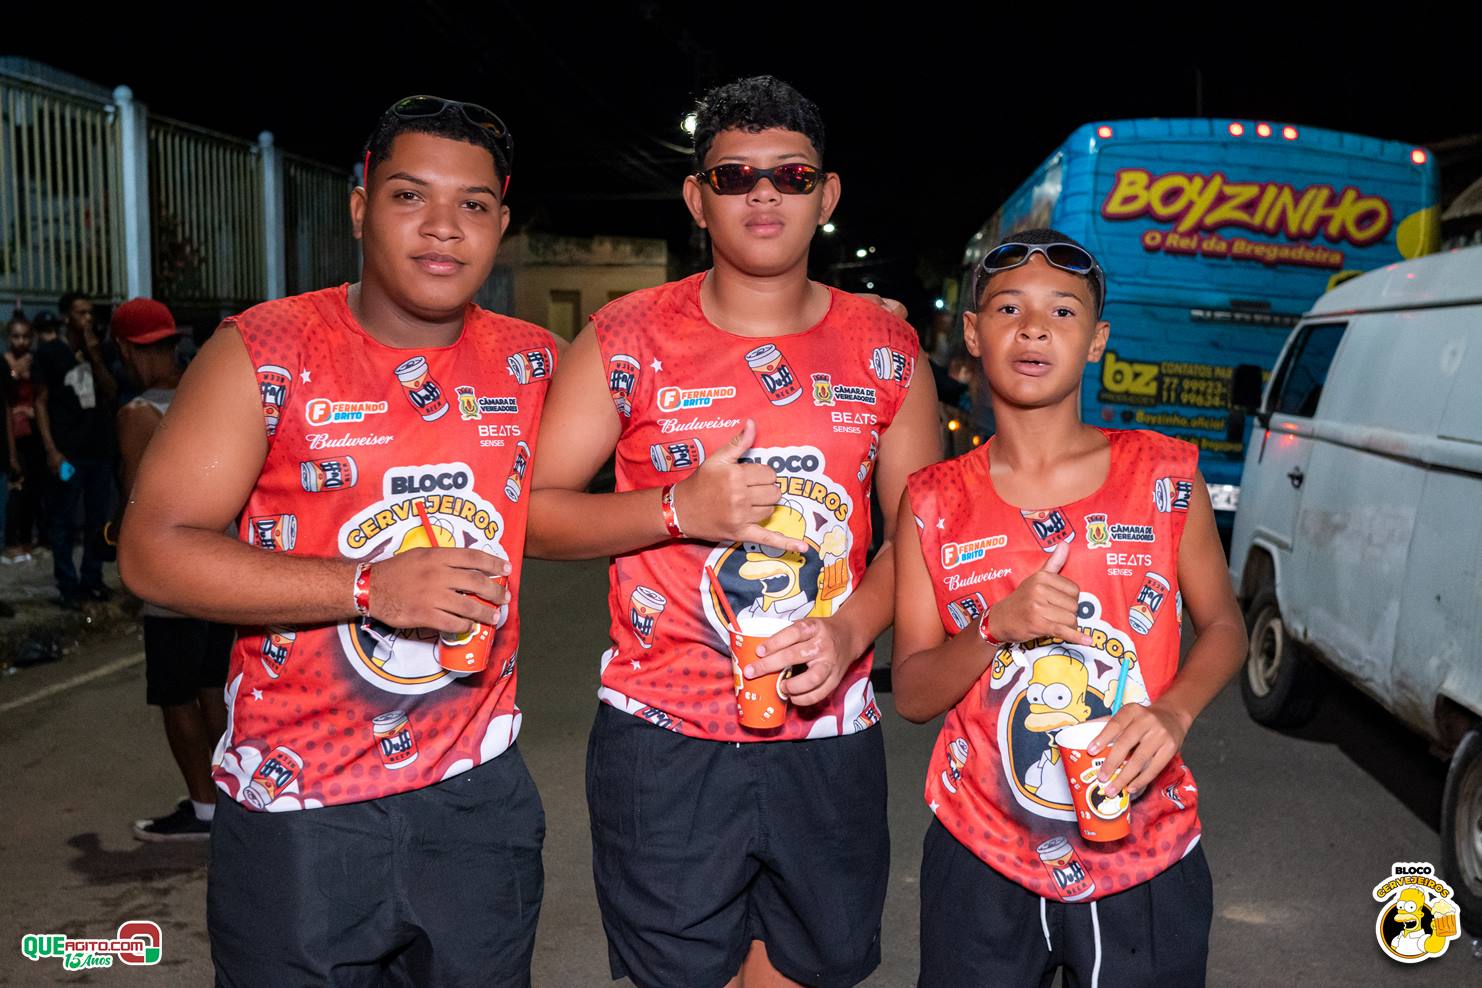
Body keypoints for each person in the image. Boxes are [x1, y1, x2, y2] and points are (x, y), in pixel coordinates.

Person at [120, 95, 552, 985]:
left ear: (500, 225)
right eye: (409, 195)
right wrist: (368, 588)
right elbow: (154, 548)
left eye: (473, 204)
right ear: (360, 208)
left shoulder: (535, 362)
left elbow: (653, 460)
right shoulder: (263, 352)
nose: (443, 226)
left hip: (478, 800)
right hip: (300, 810)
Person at [527, 75, 941, 988]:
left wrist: (850, 631)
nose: (763, 193)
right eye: (734, 175)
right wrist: (679, 509)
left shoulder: (887, 350)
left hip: (826, 737)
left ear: (826, 195)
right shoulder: (624, 338)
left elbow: (919, 539)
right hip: (663, 739)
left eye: (791, 175)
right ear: (697, 197)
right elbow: (533, 516)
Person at [891, 229, 1247, 986]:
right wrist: (994, 627)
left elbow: (1224, 626)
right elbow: (914, 693)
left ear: (1096, 341)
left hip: (1145, 853)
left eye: (1062, 311)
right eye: (1009, 308)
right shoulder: (931, 500)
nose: (1034, 328)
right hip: (980, 855)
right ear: (973, 334)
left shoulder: (1165, 474)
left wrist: (1174, 712)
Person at [108, 298, 233, 841]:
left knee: (175, 693)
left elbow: (139, 502)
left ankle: (204, 810)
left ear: (124, 348)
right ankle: (229, 800)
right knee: (212, 686)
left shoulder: (139, 414)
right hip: (226, 562)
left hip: (173, 568)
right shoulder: (208, 395)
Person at [34, 291, 117, 608]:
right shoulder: (50, 353)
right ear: (66, 317)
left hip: (99, 450)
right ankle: (67, 585)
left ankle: (92, 579)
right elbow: (40, 402)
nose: (87, 319)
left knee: (97, 518)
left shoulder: (100, 350)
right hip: (68, 453)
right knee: (64, 520)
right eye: (81, 313)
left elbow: (110, 391)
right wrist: (52, 451)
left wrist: (94, 355)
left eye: (90, 313)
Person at [5, 316, 45, 563]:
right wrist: (14, 373)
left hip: (33, 430)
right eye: (16, 336)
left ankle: (27, 538)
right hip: (11, 433)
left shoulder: (35, 360)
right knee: (16, 488)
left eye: (25, 336)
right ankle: (12, 542)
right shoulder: (4, 362)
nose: (21, 341)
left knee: (32, 488)